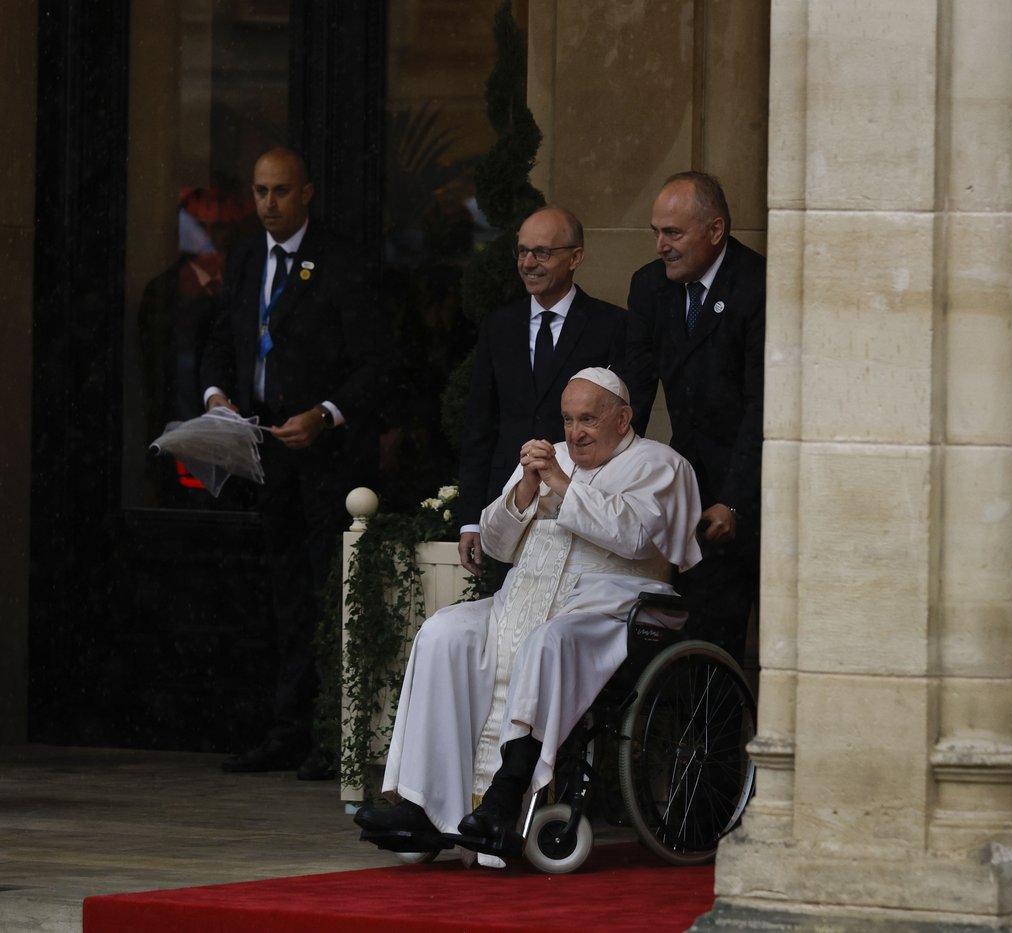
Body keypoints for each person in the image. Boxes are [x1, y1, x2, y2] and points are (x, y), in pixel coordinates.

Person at [354, 368, 702, 860]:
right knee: (442, 633)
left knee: (546, 642)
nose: (574, 432)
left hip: (609, 607)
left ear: (623, 419)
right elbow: (498, 544)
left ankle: (503, 798)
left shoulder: (660, 465)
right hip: (520, 600)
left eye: (588, 419)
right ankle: (421, 805)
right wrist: (522, 494)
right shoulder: (548, 457)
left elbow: (636, 537)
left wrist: (561, 485)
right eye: (567, 419)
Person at [201, 147, 390, 778]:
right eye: (259, 191)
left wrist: (326, 413)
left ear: (306, 193)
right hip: (260, 455)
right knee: (280, 595)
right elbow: (221, 340)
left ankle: (332, 737)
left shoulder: (346, 262)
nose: (268, 204)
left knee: (327, 591)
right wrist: (217, 397)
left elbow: (376, 363)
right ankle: (284, 728)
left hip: (327, 460)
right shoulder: (247, 256)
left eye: (280, 191)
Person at [621, 171, 764, 662]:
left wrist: (736, 502)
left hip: (749, 489)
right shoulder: (649, 287)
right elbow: (633, 395)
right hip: (687, 487)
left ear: (716, 230)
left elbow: (761, 406)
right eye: (656, 232)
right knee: (680, 634)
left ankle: (720, 739)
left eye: (673, 233)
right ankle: (682, 737)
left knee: (734, 639)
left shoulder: (757, 285)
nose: (661, 245)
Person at [456, 206, 626, 578]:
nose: (528, 263)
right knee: (502, 624)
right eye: (522, 251)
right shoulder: (498, 326)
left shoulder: (611, 326)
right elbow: (479, 426)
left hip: (578, 504)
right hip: (508, 506)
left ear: (575, 257)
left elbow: (622, 427)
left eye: (542, 252)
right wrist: (470, 519)